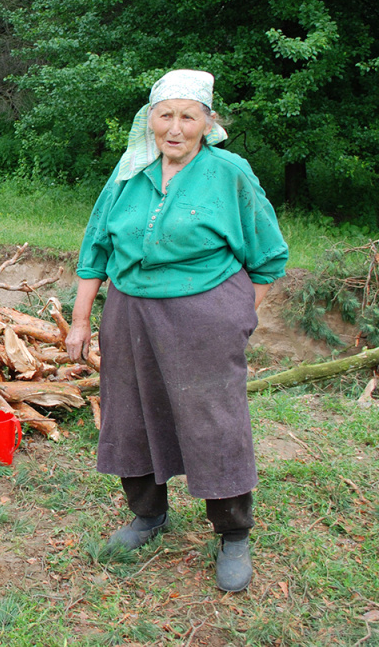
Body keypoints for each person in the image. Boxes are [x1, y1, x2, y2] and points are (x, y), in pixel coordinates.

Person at [65, 69, 288, 592]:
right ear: (149, 120)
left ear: (208, 122)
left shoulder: (229, 173)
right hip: (130, 315)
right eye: (165, 115)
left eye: (188, 116)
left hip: (204, 320)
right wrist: (80, 322)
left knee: (215, 420)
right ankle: (149, 515)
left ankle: (233, 534)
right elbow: (94, 250)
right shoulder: (128, 172)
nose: (175, 128)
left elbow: (269, 257)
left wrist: (239, 317)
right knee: (130, 414)